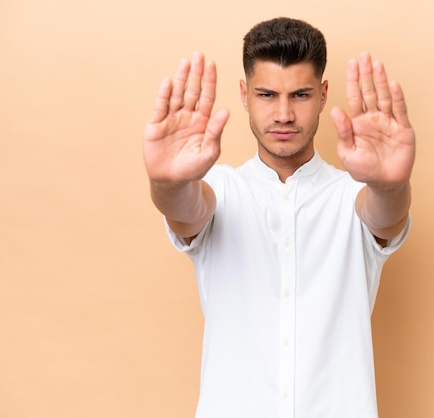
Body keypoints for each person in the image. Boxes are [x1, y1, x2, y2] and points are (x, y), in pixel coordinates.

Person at [143, 17, 415, 418]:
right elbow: (186, 209)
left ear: (323, 95)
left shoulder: (353, 194)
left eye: (300, 95)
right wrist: (166, 183)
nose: (284, 114)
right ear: (244, 94)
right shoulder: (220, 189)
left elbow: (384, 216)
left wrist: (390, 186)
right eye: (267, 94)